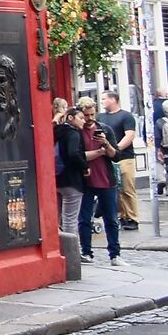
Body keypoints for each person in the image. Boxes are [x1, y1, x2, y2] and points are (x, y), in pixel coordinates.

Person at [77, 100, 123, 267]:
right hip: (86, 182)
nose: (89, 118)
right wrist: (99, 152)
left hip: (106, 179)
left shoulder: (104, 129)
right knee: (84, 219)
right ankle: (87, 252)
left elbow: (116, 156)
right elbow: (78, 156)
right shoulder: (77, 131)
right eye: (86, 115)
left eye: (92, 115)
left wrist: (105, 143)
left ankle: (115, 254)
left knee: (111, 218)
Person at [99, 90, 140, 228]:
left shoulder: (126, 116)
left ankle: (132, 217)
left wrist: (116, 149)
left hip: (125, 157)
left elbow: (129, 135)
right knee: (115, 189)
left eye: (104, 98)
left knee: (127, 188)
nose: (102, 101)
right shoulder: (100, 117)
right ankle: (122, 215)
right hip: (108, 158)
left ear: (113, 99)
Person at [51, 97, 87, 247]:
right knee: (70, 219)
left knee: (56, 218)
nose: (84, 121)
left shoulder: (57, 131)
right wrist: (85, 166)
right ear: (71, 118)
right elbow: (73, 154)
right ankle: (72, 252)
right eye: (81, 118)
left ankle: (58, 248)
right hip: (72, 179)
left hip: (57, 178)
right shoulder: (73, 133)